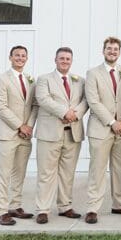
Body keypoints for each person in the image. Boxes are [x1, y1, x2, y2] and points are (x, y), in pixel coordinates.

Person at [83, 37, 121, 224]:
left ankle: (118, 203)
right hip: (101, 129)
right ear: (103, 51)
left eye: (115, 49)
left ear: (119, 52)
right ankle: (92, 208)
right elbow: (93, 101)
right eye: (109, 49)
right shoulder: (93, 73)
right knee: (97, 169)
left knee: (118, 169)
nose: (112, 52)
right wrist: (111, 122)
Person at [33, 47, 88, 224]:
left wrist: (75, 114)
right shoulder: (44, 79)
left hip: (72, 133)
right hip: (49, 133)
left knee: (67, 173)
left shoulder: (79, 80)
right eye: (61, 58)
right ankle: (43, 209)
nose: (65, 61)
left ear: (71, 61)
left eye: (68, 59)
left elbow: (86, 101)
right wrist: (65, 113)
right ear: (55, 60)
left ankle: (65, 206)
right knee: (46, 173)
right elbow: (43, 100)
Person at [0, 45, 37, 226]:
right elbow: (1, 107)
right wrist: (20, 126)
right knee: (4, 173)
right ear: (10, 57)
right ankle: (1, 211)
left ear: (27, 58)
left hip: (25, 135)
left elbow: (34, 105)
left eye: (23, 55)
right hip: (8, 134)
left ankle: (15, 205)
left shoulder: (30, 80)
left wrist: (29, 126)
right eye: (17, 55)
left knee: (20, 172)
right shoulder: (1, 79)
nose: (20, 58)